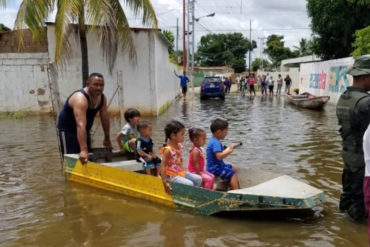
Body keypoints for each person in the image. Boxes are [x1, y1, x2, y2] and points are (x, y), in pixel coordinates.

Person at [336, 55, 370, 222]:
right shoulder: (366, 102)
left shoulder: (344, 97)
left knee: (348, 194)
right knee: (360, 203)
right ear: (365, 77)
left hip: (348, 155)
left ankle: (343, 233)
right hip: (362, 160)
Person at [57, 72, 112, 164]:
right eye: (95, 84)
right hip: (68, 129)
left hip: (85, 128)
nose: (99, 88)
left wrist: (107, 138)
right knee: (71, 158)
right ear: (88, 84)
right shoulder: (80, 98)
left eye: (101, 85)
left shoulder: (102, 98)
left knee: (86, 158)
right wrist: (83, 150)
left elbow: (105, 118)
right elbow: (80, 124)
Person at [160, 120, 202, 194]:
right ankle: (185, 196)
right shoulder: (168, 150)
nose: (184, 137)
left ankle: (192, 194)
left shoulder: (179, 145)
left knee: (198, 179)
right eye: (182, 134)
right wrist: (164, 182)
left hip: (180, 172)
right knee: (189, 184)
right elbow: (163, 166)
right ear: (173, 136)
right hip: (171, 176)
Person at [206, 118, 240, 190]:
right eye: (225, 131)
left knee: (234, 168)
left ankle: (230, 186)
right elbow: (219, 156)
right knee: (232, 174)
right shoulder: (216, 143)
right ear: (219, 132)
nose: (226, 133)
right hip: (215, 168)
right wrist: (230, 151)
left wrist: (228, 149)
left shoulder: (214, 141)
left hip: (217, 165)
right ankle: (237, 192)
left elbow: (219, 153)